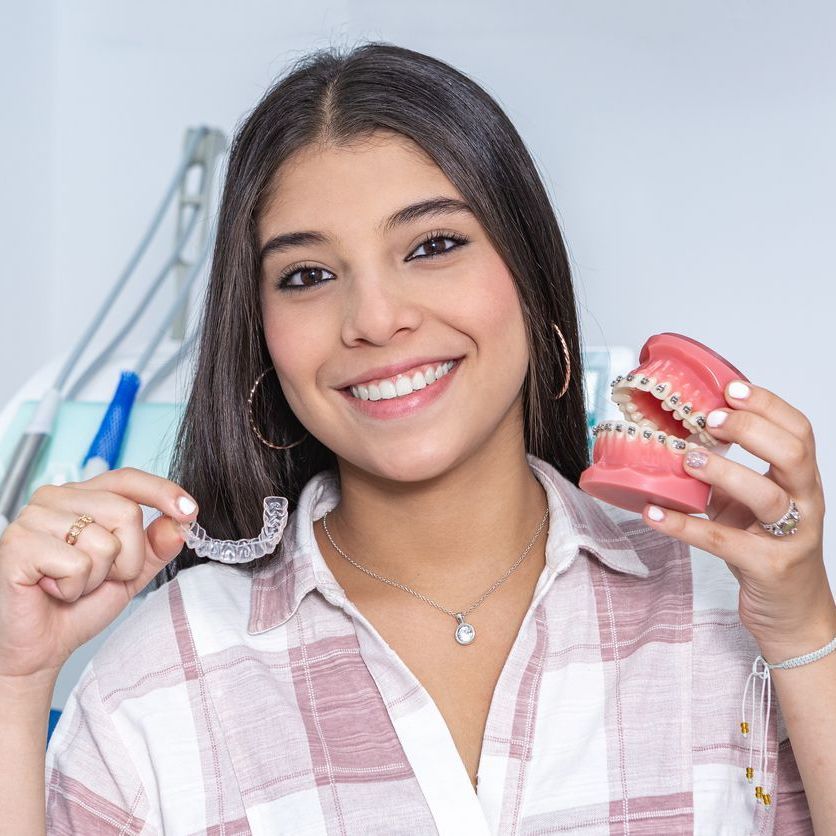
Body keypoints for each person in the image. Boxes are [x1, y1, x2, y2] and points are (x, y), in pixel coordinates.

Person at [1, 41, 832, 835]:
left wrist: (803, 633)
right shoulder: (164, 673)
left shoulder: (726, 610)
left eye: (433, 245)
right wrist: (14, 679)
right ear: (261, 337)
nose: (374, 319)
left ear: (532, 278)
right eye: (308, 275)